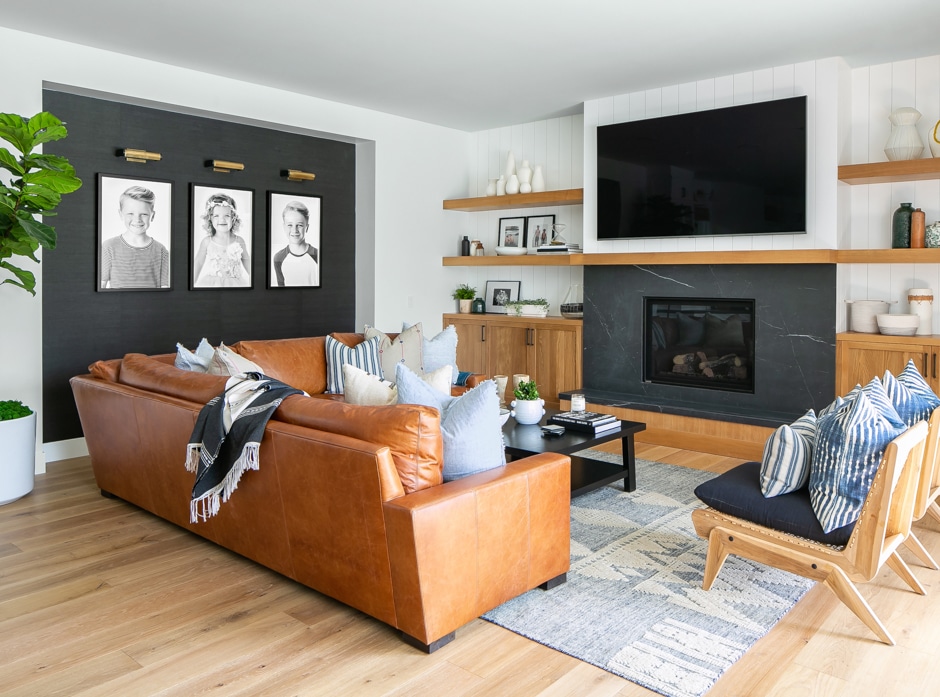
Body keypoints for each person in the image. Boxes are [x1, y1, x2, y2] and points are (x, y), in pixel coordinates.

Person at [100, 186, 169, 289]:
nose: (137, 219)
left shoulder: (161, 250)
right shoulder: (108, 246)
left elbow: (165, 287)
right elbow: (101, 284)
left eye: (144, 214)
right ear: (121, 214)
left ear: (152, 216)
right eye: (130, 213)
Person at [194, 193, 251, 287]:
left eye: (227, 216)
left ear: (233, 218)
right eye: (216, 216)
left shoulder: (239, 241)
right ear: (210, 219)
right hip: (212, 284)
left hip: (235, 284)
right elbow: (198, 263)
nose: (222, 220)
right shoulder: (207, 241)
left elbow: (247, 261)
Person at [272, 200, 318, 286]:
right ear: (284, 227)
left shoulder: (318, 255)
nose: (294, 230)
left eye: (299, 225)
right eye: (290, 225)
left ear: (307, 227)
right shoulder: (278, 257)